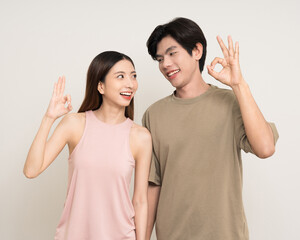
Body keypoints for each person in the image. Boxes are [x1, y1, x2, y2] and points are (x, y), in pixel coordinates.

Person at [142, 17, 279, 240]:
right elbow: (152, 186)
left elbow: (265, 148)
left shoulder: (231, 102)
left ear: (197, 50)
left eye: (172, 53)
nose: (165, 64)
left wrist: (238, 85)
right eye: (159, 59)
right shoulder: (153, 115)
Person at [23, 51, 152, 240]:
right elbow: (31, 170)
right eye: (120, 76)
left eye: (133, 76)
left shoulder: (140, 137)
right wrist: (48, 118)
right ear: (100, 86)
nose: (130, 84)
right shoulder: (74, 124)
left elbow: (140, 201)